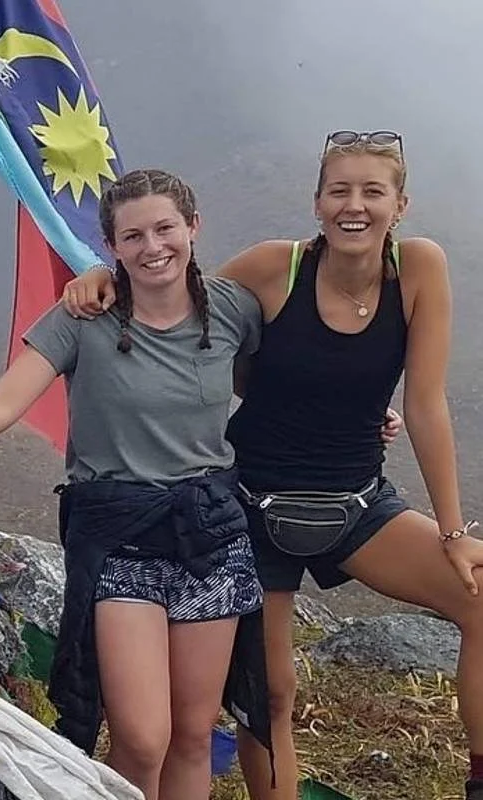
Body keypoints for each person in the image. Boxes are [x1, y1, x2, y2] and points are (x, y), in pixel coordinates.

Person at [58, 130, 482, 800]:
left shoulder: (419, 269)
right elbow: (174, 296)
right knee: (270, 692)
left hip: (358, 502)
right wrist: (101, 276)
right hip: (253, 506)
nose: (355, 205)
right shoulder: (273, 268)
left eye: (373, 191)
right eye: (339, 190)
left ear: (400, 206)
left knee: (480, 600)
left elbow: (426, 406)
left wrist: (454, 533)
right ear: (317, 202)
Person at [0, 168, 270, 800]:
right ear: (112, 246)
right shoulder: (84, 315)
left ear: (193, 227)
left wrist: (362, 421)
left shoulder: (231, 310)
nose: (153, 246)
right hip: (120, 541)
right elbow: (3, 401)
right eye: (132, 236)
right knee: (143, 739)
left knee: (194, 735)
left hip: (210, 536)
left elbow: (281, 381)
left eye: (165, 228)